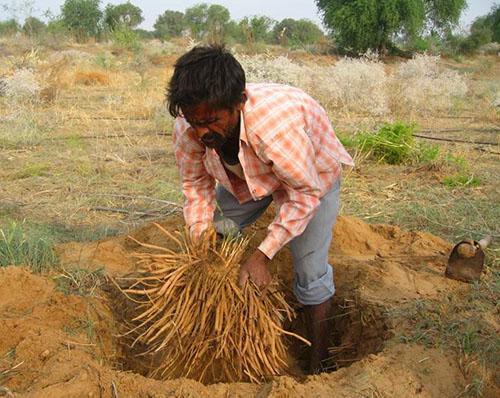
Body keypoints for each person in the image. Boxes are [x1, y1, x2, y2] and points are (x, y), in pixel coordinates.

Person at [167, 45, 354, 373]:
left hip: (310, 177)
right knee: (217, 231)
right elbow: (196, 188)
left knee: (310, 272)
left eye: (211, 121)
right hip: (249, 173)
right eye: (194, 121)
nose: (201, 132)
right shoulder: (189, 127)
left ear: (239, 103)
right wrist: (201, 241)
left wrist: (261, 256)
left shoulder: (275, 130)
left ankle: (319, 365)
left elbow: (304, 195)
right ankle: (222, 332)